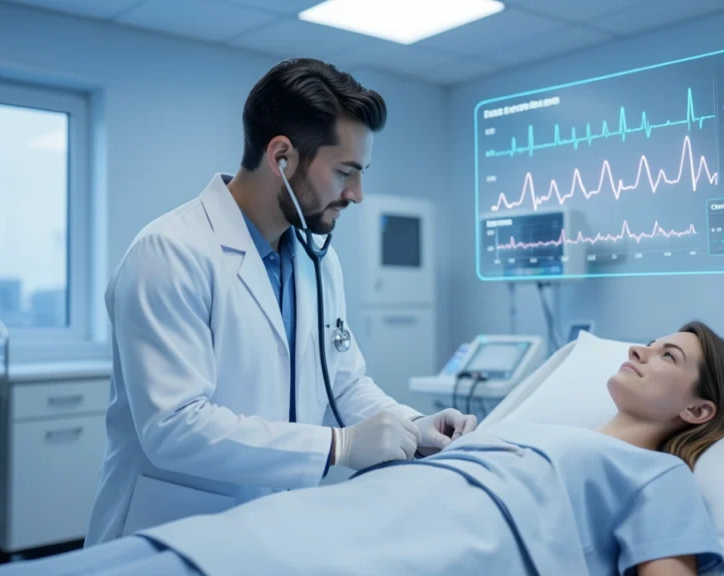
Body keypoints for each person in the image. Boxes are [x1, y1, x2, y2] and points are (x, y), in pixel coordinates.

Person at [0, 321, 724, 576]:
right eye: (649, 343)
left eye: (667, 356)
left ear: (699, 407)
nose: (641, 353)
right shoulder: (534, 429)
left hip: (424, 549)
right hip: (337, 516)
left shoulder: (657, 474)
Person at [82, 58, 478, 546]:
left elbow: (342, 382)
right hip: (169, 534)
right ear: (282, 157)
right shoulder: (169, 252)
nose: (357, 194)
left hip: (270, 528)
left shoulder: (316, 262)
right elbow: (174, 427)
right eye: (345, 172)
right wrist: (340, 445)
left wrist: (411, 425)